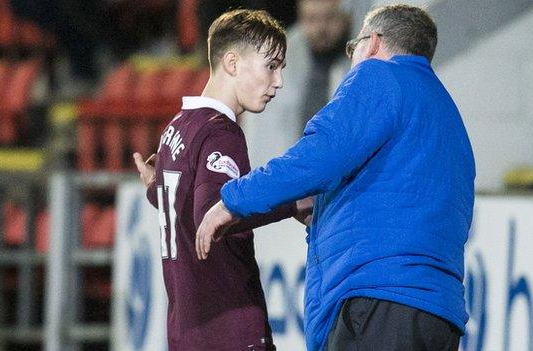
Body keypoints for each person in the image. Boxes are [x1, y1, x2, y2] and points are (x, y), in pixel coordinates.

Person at [196, 4, 475, 351]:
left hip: (379, 301)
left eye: (354, 46)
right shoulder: (446, 112)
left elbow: (321, 153)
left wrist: (234, 198)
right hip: (438, 315)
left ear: (371, 43)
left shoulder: (379, 75)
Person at [133, 9, 311, 350]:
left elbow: (183, 201)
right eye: (271, 66)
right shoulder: (220, 133)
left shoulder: (177, 126)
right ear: (232, 63)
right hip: (229, 326)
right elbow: (213, 213)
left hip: (186, 331)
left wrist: (157, 188)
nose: (279, 82)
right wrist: (293, 202)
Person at [242, 0, 351, 167]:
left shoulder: (362, 59)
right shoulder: (277, 57)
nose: (321, 29)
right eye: (312, 19)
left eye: (330, 18)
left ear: (345, 19)